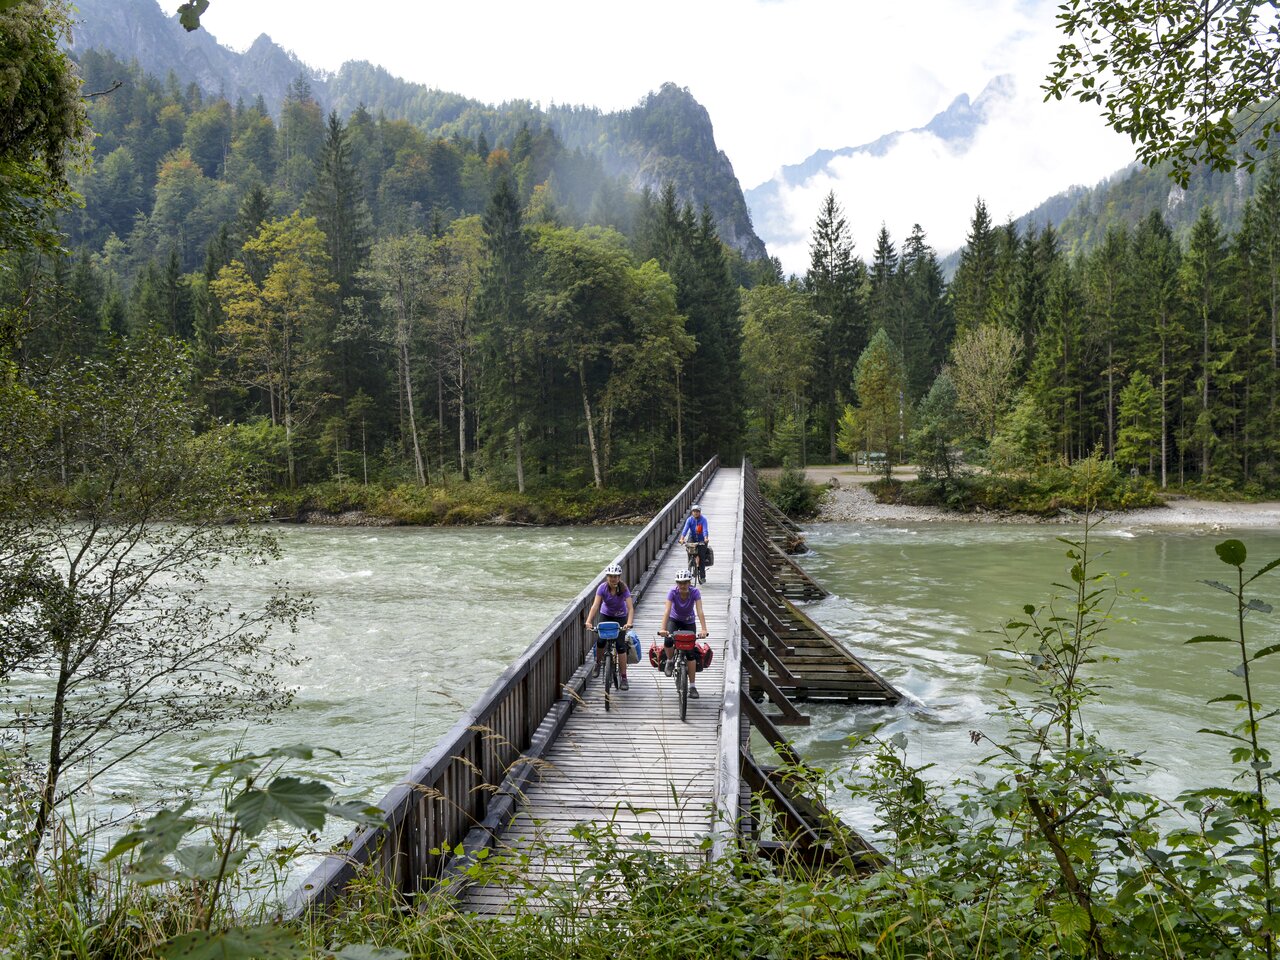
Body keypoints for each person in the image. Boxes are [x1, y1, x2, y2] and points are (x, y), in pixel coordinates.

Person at [658, 568, 709, 698]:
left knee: (690, 653)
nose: (683, 585)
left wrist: (704, 629)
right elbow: (667, 611)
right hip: (674, 620)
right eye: (680, 583)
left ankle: (692, 686)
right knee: (668, 640)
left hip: (689, 621)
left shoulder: (695, 592)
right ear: (677, 583)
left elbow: (700, 611)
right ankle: (670, 660)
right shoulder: (672, 592)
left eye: (685, 582)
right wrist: (663, 629)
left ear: (689, 582)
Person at [585, 562, 635, 690]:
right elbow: (595, 605)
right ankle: (598, 663)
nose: (613, 579)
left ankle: (624, 677)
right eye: (611, 576)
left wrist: (629, 623)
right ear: (607, 577)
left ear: (619, 577)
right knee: (601, 641)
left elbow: (630, 607)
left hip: (620, 617)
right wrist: (589, 621)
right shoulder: (602, 588)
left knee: (620, 646)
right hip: (606, 615)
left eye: (616, 576)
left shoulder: (623, 589)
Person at [678, 502, 710, 584]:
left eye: (697, 511)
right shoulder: (689, 520)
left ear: (700, 512)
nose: (695, 513)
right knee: (690, 554)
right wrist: (682, 539)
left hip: (701, 539)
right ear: (692, 512)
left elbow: (705, 530)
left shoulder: (703, 520)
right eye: (694, 511)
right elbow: (685, 530)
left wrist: (706, 538)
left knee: (701, 558)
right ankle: (691, 567)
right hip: (692, 538)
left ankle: (702, 576)